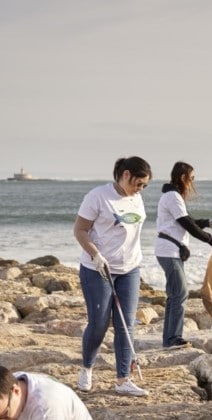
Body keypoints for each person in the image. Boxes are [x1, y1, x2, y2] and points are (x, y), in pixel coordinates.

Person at [73, 156, 152, 396]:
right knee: (98, 322)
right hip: (98, 269)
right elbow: (80, 230)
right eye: (138, 183)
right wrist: (96, 255)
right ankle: (87, 368)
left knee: (126, 325)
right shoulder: (98, 196)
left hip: (129, 269)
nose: (140, 189)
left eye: (144, 186)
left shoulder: (136, 198)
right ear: (125, 174)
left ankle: (123, 379)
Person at [154, 161, 212, 348]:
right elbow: (187, 224)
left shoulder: (172, 196)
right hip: (169, 250)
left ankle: (169, 338)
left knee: (175, 294)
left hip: (170, 249)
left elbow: (188, 220)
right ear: (183, 178)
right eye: (191, 178)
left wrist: (207, 222)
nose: (192, 182)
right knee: (180, 293)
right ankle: (173, 338)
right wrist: (211, 241)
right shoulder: (173, 196)